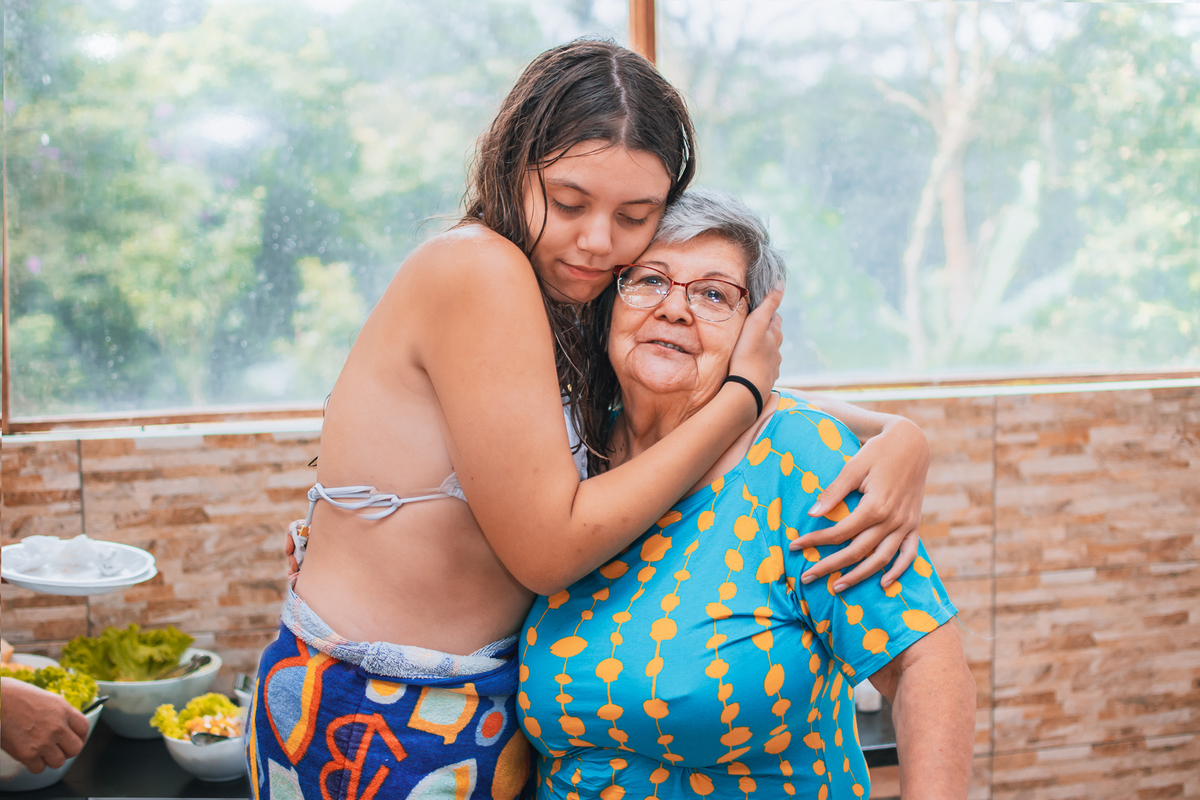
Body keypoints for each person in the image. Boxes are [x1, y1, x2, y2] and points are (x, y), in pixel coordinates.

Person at [249, 40, 931, 800]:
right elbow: (549, 551)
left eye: (635, 217)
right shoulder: (481, 269)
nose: (599, 241)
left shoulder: (568, 300)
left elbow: (689, 387)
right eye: (569, 203)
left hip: (476, 702)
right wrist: (743, 394)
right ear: (513, 167)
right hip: (383, 705)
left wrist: (898, 435)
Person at [518, 189, 976, 799]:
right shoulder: (569, 447)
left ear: (755, 337)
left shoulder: (797, 457)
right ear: (609, 305)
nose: (674, 309)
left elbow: (927, 665)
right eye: (650, 280)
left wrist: (903, 432)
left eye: (713, 295)